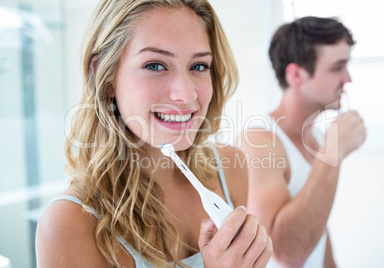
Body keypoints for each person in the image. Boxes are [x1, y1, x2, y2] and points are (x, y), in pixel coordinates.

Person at [35, 0, 272, 267]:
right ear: (105, 74)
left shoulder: (231, 170)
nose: (186, 95)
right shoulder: (69, 224)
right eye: (155, 65)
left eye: (198, 66)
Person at [237, 17, 366, 268]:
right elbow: (285, 254)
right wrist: (333, 152)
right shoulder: (260, 142)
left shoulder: (316, 137)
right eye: (337, 67)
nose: (347, 79)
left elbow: (316, 223)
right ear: (296, 74)